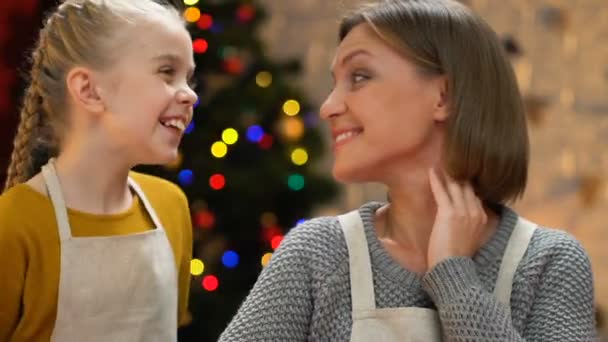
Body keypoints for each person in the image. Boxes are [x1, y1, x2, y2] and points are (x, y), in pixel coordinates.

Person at [219, 0, 596, 340]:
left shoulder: (549, 262)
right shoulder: (316, 254)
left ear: (444, 95)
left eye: (360, 76)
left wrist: (454, 276)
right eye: (336, 84)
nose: (329, 107)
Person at [0, 0, 196, 340]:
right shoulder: (14, 224)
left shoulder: (171, 207)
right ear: (89, 90)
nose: (190, 95)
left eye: (188, 78)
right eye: (167, 72)